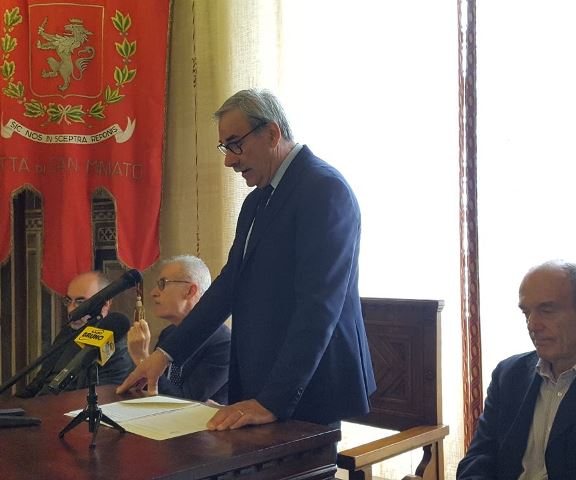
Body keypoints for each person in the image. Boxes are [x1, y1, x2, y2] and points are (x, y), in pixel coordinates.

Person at [118, 88, 376, 433]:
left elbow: (319, 306)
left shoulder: (324, 189)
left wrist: (272, 401)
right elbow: (230, 285)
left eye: (235, 144)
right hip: (262, 383)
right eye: (225, 148)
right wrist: (164, 356)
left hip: (308, 390)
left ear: (271, 133)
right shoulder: (256, 201)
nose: (229, 160)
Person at [457, 260, 576, 479]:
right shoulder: (509, 374)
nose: (532, 325)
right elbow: (479, 458)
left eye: (547, 310)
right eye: (526, 313)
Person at [127, 255, 230, 403]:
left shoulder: (223, 342)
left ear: (190, 291)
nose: (153, 292)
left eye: (162, 283)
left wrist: (143, 358)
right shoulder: (169, 333)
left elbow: (185, 403)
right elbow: (149, 392)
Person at [16, 271, 134, 397]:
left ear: (105, 304)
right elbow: (38, 382)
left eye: (81, 302)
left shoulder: (116, 345)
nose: (71, 309)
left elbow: (98, 398)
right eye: (68, 301)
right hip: (38, 404)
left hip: (68, 407)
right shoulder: (68, 332)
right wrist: (16, 403)